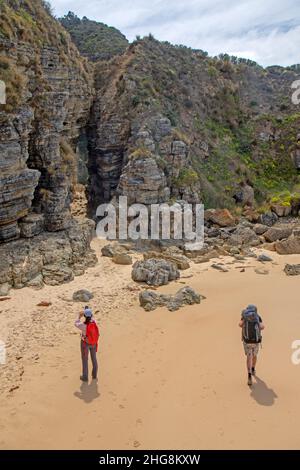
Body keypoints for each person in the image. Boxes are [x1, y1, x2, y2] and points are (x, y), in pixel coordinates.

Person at [239, 304, 265, 386]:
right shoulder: (257, 316)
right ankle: (253, 368)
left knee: (248, 356)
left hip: (247, 341)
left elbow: (240, 324)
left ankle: (249, 374)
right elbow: (262, 327)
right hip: (256, 341)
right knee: (254, 355)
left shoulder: (245, 316)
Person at [75, 306, 99, 382]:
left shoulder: (83, 326)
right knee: (94, 359)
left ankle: (85, 377)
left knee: (85, 360)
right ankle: (94, 375)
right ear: (91, 315)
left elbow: (76, 323)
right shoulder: (94, 322)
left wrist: (79, 316)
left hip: (85, 344)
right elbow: (92, 317)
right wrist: (87, 311)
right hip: (94, 343)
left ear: (84, 316)